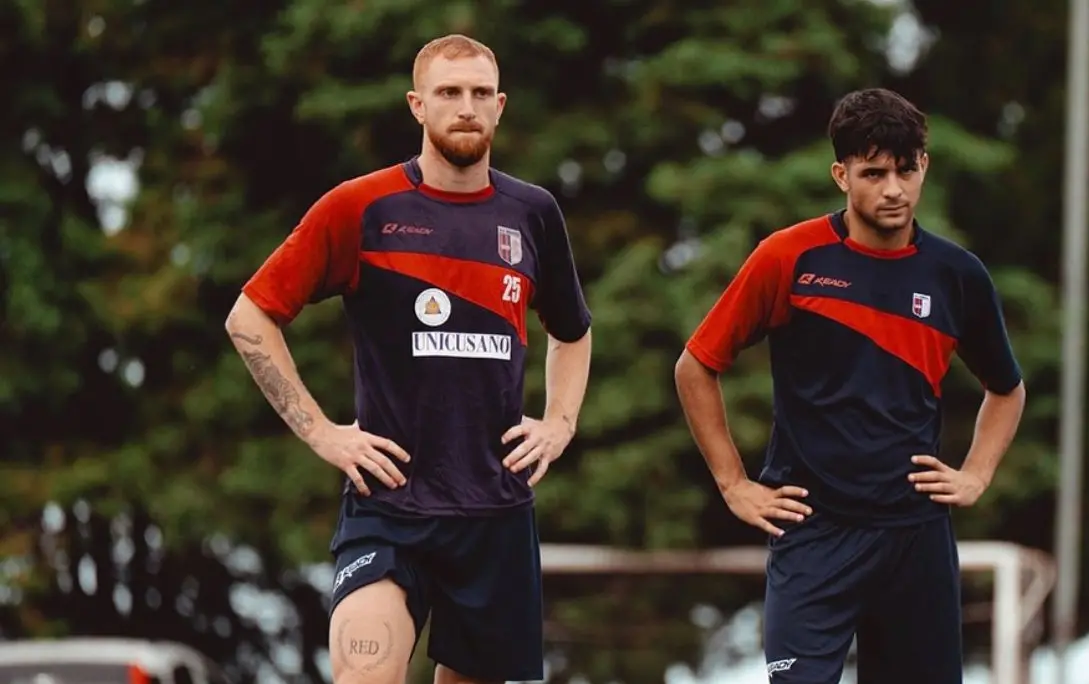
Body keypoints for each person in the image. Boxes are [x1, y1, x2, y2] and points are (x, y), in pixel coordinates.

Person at [224, 34, 593, 684]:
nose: (466, 106)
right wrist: (323, 433)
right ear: (417, 105)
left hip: (496, 514)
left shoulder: (533, 213)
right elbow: (250, 317)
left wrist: (559, 423)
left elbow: (572, 331)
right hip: (389, 507)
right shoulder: (360, 207)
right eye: (449, 93)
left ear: (501, 106)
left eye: (481, 93)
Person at [673, 88, 1026, 684]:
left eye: (906, 170)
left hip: (914, 537)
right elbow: (696, 365)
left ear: (924, 167)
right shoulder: (788, 257)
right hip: (813, 532)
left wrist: (977, 474)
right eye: (873, 173)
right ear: (841, 175)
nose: (893, 189)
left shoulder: (957, 275)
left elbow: (1006, 388)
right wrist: (734, 483)